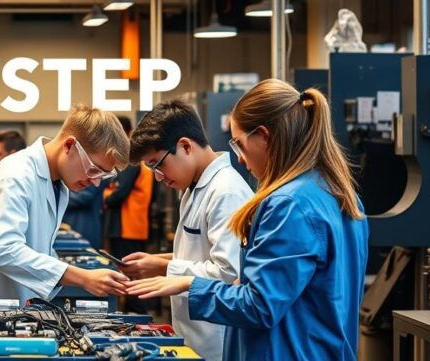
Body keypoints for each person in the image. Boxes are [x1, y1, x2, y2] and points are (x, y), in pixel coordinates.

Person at [126, 81, 369, 361]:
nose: (240, 159)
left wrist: (189, 284)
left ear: (263, 136)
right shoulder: (337, 195)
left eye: (239, 144)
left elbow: (259, 305)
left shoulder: (288, 204)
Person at [0, 105, 131, 310]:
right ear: (69, 146)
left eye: (103, 176)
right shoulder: (14, 177)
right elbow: (5, 250)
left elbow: (37, 248)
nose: (95, 183)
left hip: (19, 306)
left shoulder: (58, 183)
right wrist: (82, 277)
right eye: (93, 169)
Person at [121, 101, 252, 361]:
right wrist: (157, 262)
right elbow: (202, 252)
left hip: (216, 339)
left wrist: (167, 271)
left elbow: (229, 272)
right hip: (195, 334)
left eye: (157, 164)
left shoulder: (226, 192)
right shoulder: (195, 188)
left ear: (185, 146)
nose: (158, 176)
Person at [102, 115, 152, 311]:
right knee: (130, 277)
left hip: (128, 227)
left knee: (131, 278)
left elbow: (118, 194)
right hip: (128, 227)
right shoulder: (133, 160)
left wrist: (105, 196)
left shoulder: (132, 161)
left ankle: (137, 317)